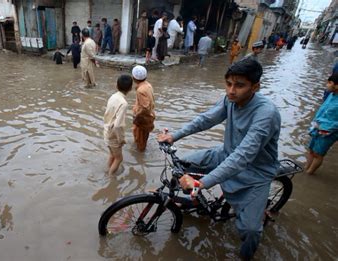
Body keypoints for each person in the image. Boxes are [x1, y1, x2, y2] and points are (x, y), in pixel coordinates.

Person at [157, 59, 281, 260]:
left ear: (255, 87)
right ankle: (192, 203)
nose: (232, 90)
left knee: (250, 231)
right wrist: (174, 136)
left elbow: (243, 156)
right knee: (182, 165)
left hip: (255, 171)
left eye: (239, 85)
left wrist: (201, 183)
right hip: (225, 153)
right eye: (229, 84)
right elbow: (206, 119)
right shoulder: (229, 100)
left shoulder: (266, 114)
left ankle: (246, 256)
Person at [305, 73, 338, 175]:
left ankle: (309, 173)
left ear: (336, 86)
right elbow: (322, 110)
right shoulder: (332, 95)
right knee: (311, 150)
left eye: (329, 82)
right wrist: (316, 124)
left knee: (318, 154)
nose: (327, 84)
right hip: (317, 127)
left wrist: (324, 128)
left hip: (329, 132)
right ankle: (306, 169)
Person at [104, 75, 133, 175]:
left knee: (112, 155)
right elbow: (118, 125)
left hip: (106, 130)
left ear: (116, 85)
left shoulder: (113, 96)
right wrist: (121, 139)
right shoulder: (123, 103)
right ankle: (111, 178)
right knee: (119, 159)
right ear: (130, 88)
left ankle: (108, 170)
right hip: (113, 135)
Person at [132, 65, 155, 152]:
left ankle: (140, 157)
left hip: (143, 118)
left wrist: (136, 117)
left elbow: (145, 108)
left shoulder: (140, 90)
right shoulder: (148, 85)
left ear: (134, 78)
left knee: (141, 142)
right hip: (147, 116)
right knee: (138, 136)